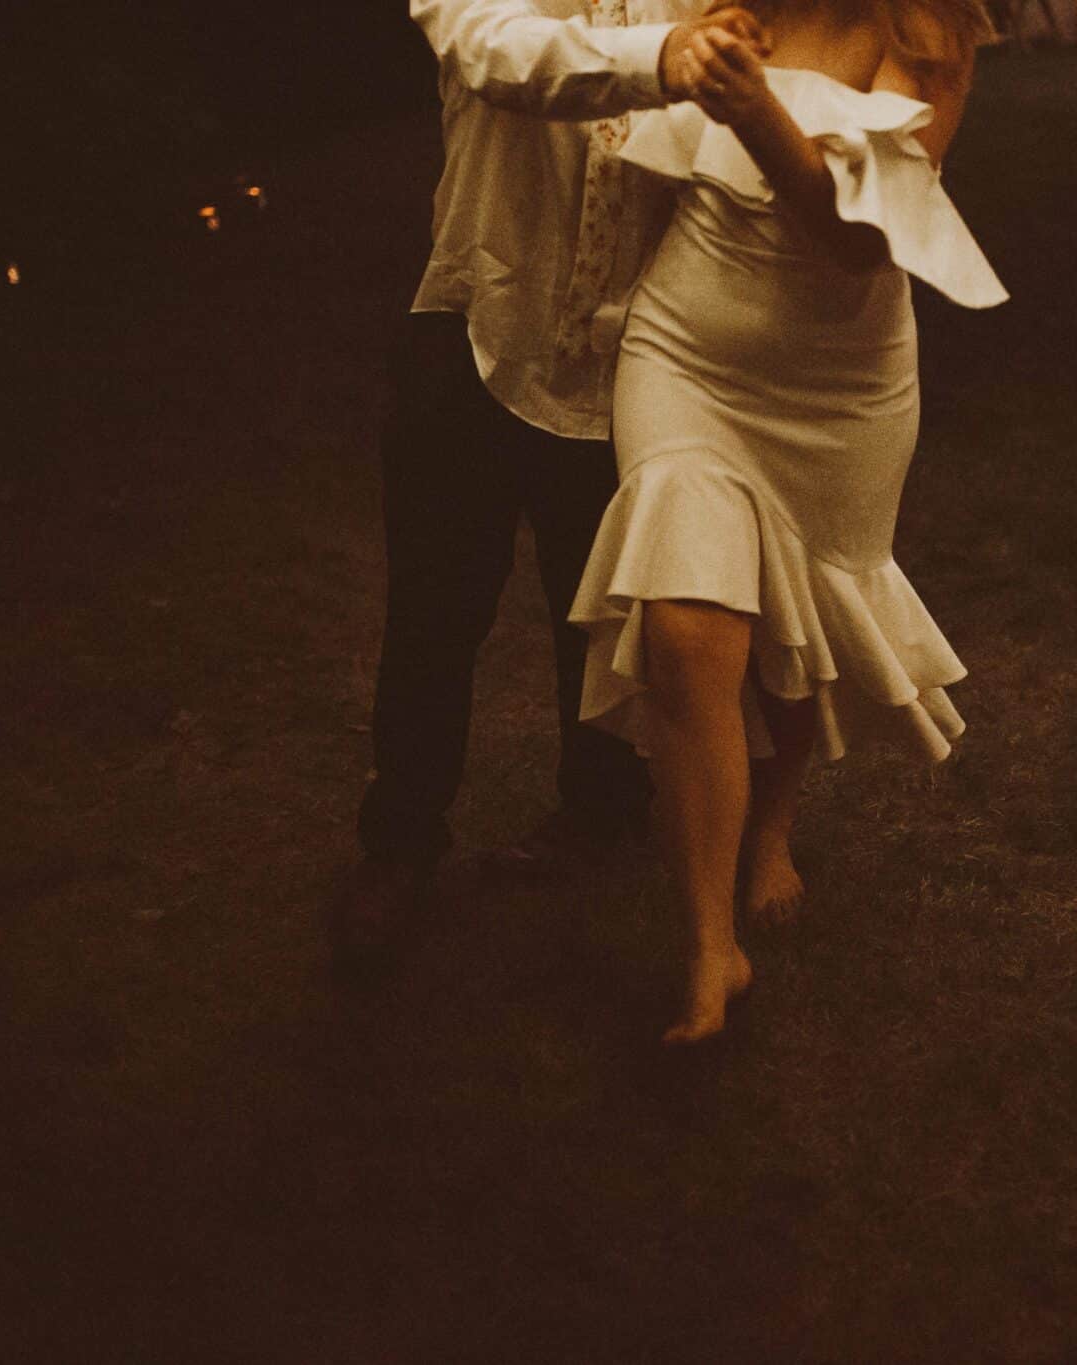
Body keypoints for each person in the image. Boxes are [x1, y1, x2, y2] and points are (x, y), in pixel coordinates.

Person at [566, 0, 1008, 1041]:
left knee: (800, 620)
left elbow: (857, 242)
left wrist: (755, 111)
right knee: (684, 633)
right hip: (686, 350)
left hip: (838, 386)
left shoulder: (931, 33)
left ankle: (772, 822)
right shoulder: (722, 4)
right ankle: (708, 948)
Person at [337, 0, 773, 961]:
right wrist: (666, 55)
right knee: (436, 608)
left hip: (636, 349)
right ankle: (400, 845)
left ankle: (604, 803)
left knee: (607, 605)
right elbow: (501, 54)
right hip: (480, 324)